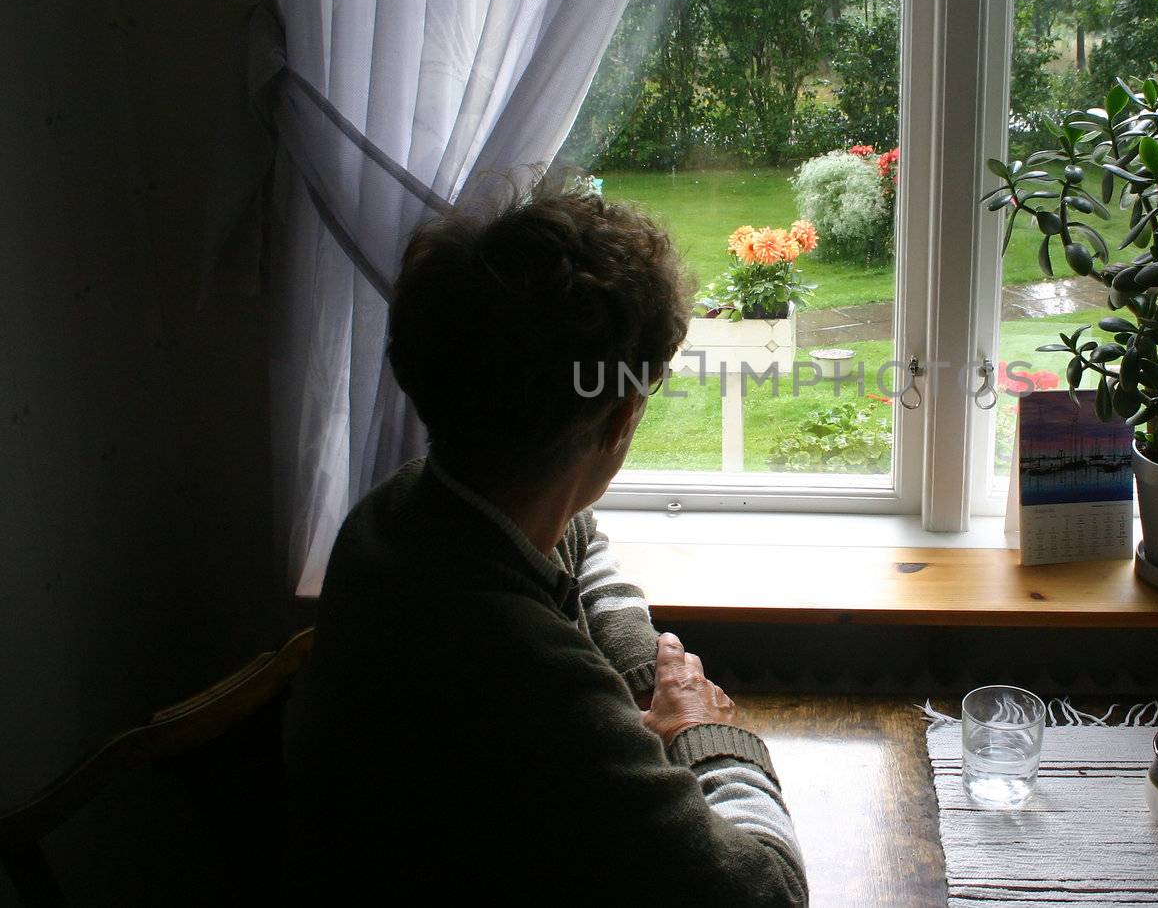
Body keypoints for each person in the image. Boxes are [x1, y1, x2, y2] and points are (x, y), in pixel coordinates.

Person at [283, 169, 807, 905]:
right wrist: (698, 730)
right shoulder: (521, 674)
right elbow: (769, 893)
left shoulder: (405, 511)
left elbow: (579, 541)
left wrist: (642, 677)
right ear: (623, 414)